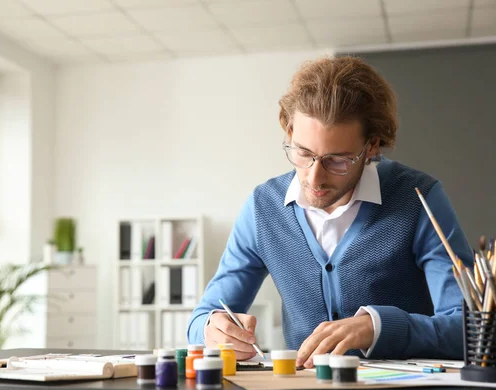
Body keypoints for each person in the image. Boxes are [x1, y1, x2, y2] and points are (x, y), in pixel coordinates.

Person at [187, 55, 473, 368]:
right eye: (303, 153)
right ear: (289, 130)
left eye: (337, 160)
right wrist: (211, 329)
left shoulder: (420, 199)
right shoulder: (263, 208)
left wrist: (376, 327)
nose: (313, 177)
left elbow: (469, 328)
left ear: (372, 145)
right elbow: (202, 319)